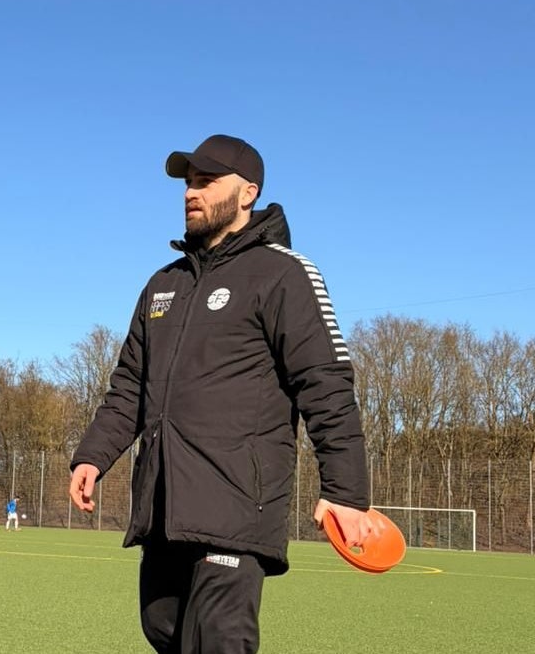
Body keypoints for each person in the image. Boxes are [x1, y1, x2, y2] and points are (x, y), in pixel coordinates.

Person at [68, 134, 382, 654]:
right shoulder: (162, 285)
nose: (192, 192)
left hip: (237, 503)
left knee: (217, 640)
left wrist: (347, 492)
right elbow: (128, 385)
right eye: (189, 182)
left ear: (248, 193)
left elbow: (325, 385)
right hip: (165, 507)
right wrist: (93, 457)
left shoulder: (284, 273)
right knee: (163, 629)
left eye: (207, 180)